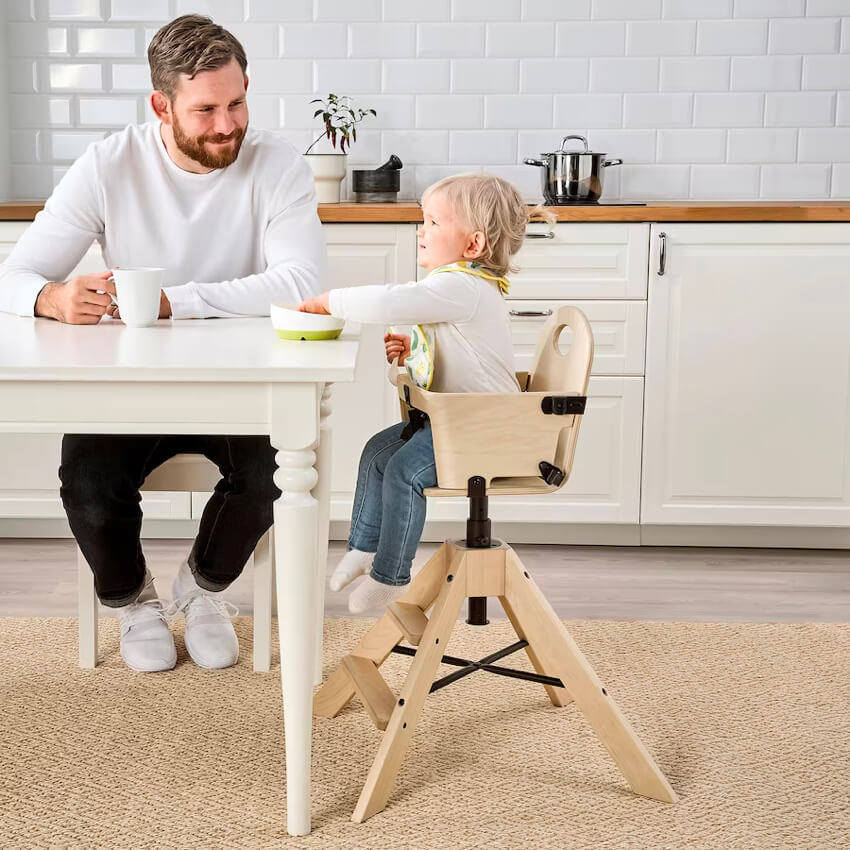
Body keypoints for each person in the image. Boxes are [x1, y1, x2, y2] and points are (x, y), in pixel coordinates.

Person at [0, 15, 325, 672]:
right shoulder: (108, 164)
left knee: (274, 476)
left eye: (237, 102)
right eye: (205, 109)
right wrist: (49, 298)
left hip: (240, 383)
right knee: (88, 482)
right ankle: (133, 602)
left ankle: (204, 591)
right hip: (132, 383)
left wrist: (181, 300)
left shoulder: (277, 163)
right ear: (161, 106)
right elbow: (15, 275)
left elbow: (302, 282)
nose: (227, 123)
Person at [299, 173, 551, 613]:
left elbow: (388, 302)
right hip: (458, 422)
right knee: (378, 452)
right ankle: (363, 546)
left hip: (484, 430)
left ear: (472, 245)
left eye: (433, 223)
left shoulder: (462, 286)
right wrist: (412, 346)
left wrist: (330, 302)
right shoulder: (458, 287)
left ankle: (391, 576)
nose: (422, 230)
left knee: (403, 472)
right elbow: (454, 350)